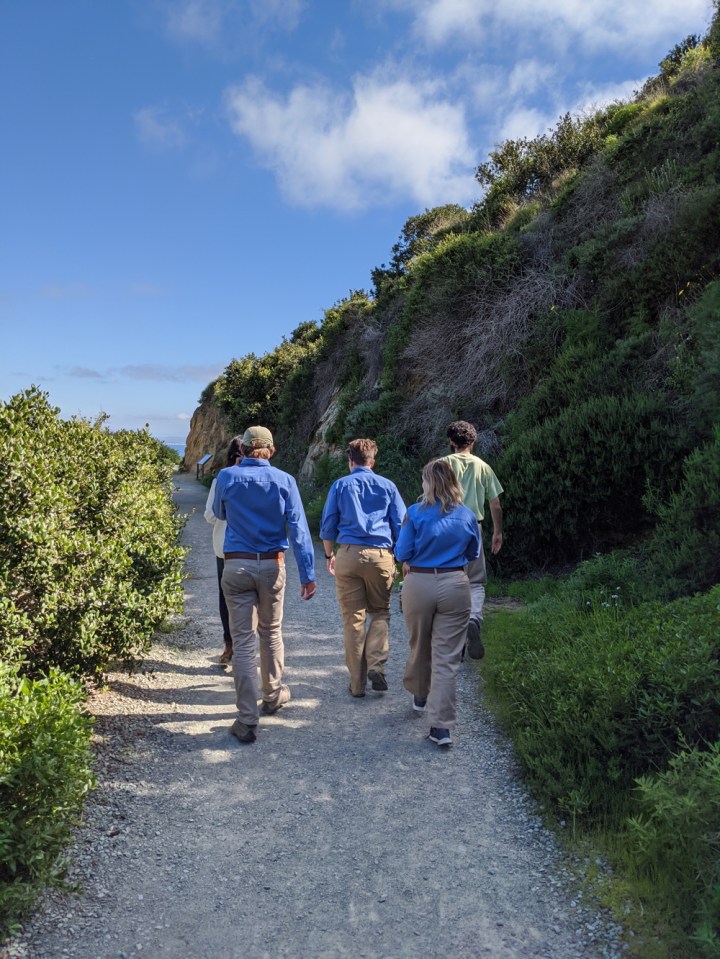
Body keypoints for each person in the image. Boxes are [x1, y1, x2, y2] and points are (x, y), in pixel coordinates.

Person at [213, 426, 317, 744]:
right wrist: (308, 574)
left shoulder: (227, 477)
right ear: (271, 450)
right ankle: (272, 696)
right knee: (270, 633)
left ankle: (247, 720)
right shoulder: (285, 481)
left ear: (242, 449)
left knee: (243, 641)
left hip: (236, 564)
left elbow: (218, 512)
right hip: (273, 564)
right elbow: (299, 529)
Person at [395, 460, 480, 748]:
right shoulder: (467, 515)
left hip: (419, 582)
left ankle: (420, 694)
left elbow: (402, 551)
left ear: (428, 483)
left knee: (419, 643)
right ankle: (441, 728)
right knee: (447, 657)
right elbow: (473, 552)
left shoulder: (415, 513)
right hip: (455, 583)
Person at [320, 438, 406, 697]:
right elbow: (401, 525)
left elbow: (328, 525)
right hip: (381, 555)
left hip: (348, 554)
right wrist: (400, 558)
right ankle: (377, 665)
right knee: (380, 612)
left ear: (350, 461)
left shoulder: (340, 485)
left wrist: (328, 555)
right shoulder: (388, 486)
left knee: (353, 619)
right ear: (372, 461)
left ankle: (356, 685)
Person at [439, 420, 503, 660]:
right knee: (474, 582)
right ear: (472, 441)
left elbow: (429, 498)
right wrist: (497, 532)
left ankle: (454, 639)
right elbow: (495, 504)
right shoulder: (483, 467)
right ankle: (474, 618)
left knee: (449, 580)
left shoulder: (442, 465)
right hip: (473, 527)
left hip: (445, 528)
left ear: (451, 442)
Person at [204, 437, 242, 665]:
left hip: (224, 548)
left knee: (225, 598)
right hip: (251, 548)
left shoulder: (221, 479)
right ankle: (245, 645)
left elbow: (210, 515)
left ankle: (229, 646)